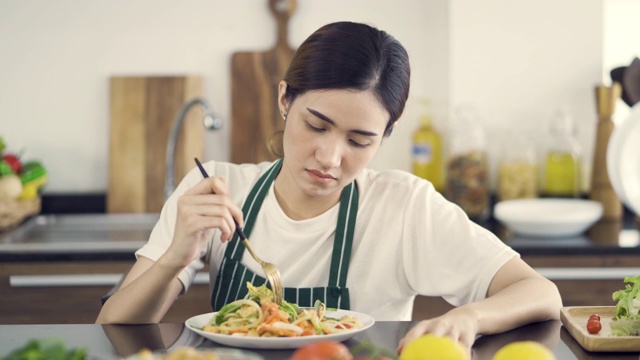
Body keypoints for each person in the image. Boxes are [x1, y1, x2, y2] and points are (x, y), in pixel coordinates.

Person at [96, 21, 562, 354]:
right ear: (284, 99)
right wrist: (178, 255)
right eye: (316, 125)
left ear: (385, 137)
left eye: (360, 140)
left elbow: (541, 293)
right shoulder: (217, 189)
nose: (330, 158)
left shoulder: (403, 208)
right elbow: (112, 326)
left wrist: (468, 317)